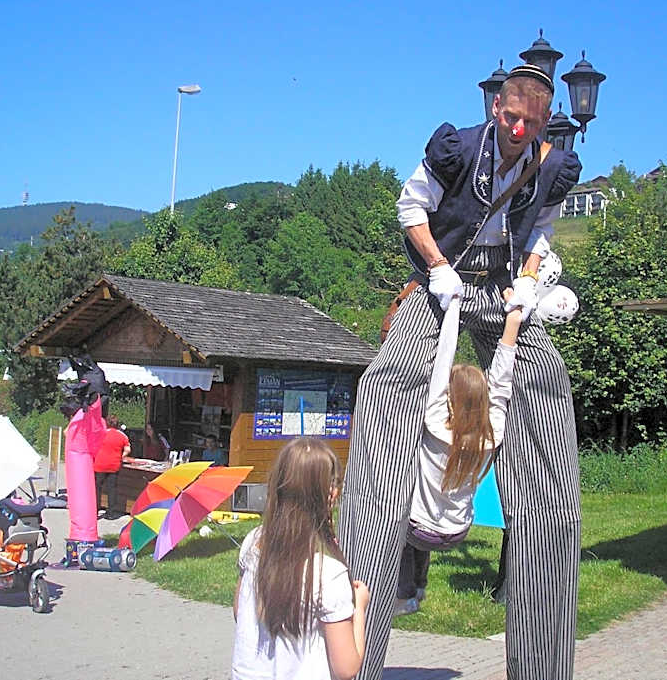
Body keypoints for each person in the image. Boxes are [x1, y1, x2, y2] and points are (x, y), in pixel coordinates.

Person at [338, 64, 582, 680]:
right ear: (496, 108)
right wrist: (438, 267)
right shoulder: (457, 148)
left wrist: (528, 283)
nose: (520, 129)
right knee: (385, 384)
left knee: (547, 386)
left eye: (532, 121)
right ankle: (360, 639)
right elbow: (410, 206)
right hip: (440, 280)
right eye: (511, 117)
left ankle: (543, 663)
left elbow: (543, 231)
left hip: (505, 291)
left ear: (543, 120)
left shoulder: (552, 165)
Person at [395, 295, 521, 615]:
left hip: (420, 529)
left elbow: (442, 359)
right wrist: (513, 322)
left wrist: (452, 308)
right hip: (457, 532)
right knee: (422, 517)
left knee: (399, 518)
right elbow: (502, 379)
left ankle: (406, 590)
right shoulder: (492, 435)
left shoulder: (437, 425)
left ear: (451, 400)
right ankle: (417, 589)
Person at [232, 438, 370, 680]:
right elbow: (346, 668)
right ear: (331, 494)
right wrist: (359, 606)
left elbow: (239, 611)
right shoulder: (328, 574)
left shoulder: (254, 543)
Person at [94, 414, 131, 518]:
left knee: (97, 488)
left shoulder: (100, 434)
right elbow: (128, 449)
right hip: (114, 465)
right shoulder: (122, 435)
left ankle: (95, 510)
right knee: (112, 488)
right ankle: (110, 512)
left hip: (99, 464)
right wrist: (121, 456)